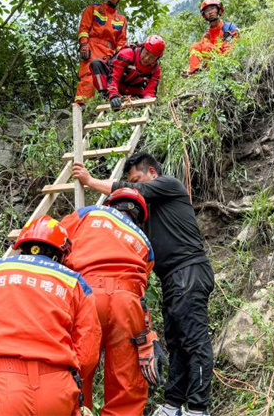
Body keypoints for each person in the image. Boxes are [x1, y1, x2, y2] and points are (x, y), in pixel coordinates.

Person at [72, 154, 214, 416]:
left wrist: (90, 181)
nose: (135, 188)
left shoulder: (170, 185)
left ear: (152, 173)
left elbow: (132, 191)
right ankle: (173, 405)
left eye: (137, 179)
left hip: (188, 270)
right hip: (170, 278)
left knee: (193, 341)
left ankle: (197, 408)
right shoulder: (142, 218)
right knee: (176, 342)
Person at [0, 215, 102, 416]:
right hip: (56, 390)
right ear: (62, 253)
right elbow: (88, 354)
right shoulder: (75, 282)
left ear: (22, 245)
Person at [59, 188, 165, 416]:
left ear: (110, 203)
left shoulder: (86, 214)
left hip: (85, 294)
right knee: (126, 384)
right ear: (139, 217)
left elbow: (56, 242)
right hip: (128, 302)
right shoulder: (144, 242)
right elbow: (142, 280)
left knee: (75, 369)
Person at [75, 0, 128, 104]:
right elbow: (84, 28)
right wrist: (84, 44)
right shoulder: (93, 9)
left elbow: (121, 42)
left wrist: (120, 58)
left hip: (109, 53)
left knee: (109, 77)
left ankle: (103, 104)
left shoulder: (121, 19)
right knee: (88, 76)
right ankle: (81, 106)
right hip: (92, 48)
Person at [90, 35, 165, 111]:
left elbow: (150, 90)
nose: (147, 58)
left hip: (133, 91)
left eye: (152, 57)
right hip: (116, 85)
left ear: (157, 58)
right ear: (143, 47)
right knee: (96, 64)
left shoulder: (155, 69)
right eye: (146, 53)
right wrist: (113, 95)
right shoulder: (127, 54)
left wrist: (148, 101)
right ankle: (105, 97)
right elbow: (114, 76)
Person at [184, 0, 239, 76]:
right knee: (195, 46)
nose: (210, 12)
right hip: (210, 65)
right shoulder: (206, 35)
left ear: (219, 10)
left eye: (212, 8)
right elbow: (203, 54)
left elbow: (233, 47)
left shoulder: (230, 28)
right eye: (207, 10)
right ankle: (195, 71)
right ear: (204, 15)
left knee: (208, 46)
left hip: (224, 61)